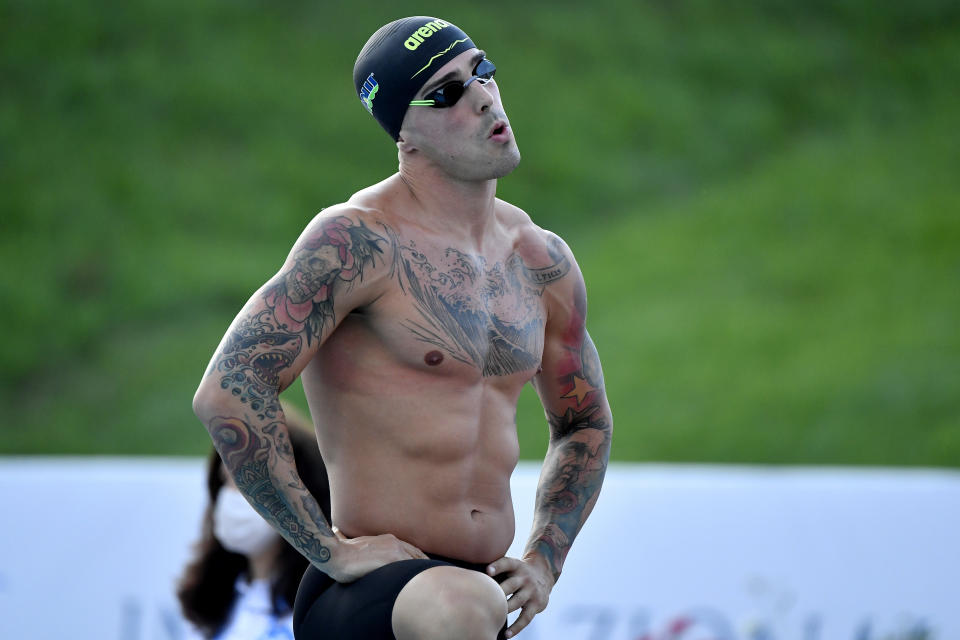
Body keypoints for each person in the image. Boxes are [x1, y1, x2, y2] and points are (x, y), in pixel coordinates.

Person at [192, 15, 613, 640]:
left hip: (477, 597)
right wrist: (327, 549)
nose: (480, 96)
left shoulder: (540, 260)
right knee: (463, 605)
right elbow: (228, 390)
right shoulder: (359, 240)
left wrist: (545, 560)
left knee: (470, 603)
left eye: (482, 72)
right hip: (372, 595)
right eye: (444, 93)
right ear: (404, 133)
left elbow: (584, 422)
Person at [177, 404, 331, 640]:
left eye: (249, 482)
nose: (231, 495)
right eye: (226, 480)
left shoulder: (320, 613)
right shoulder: (210, 608)